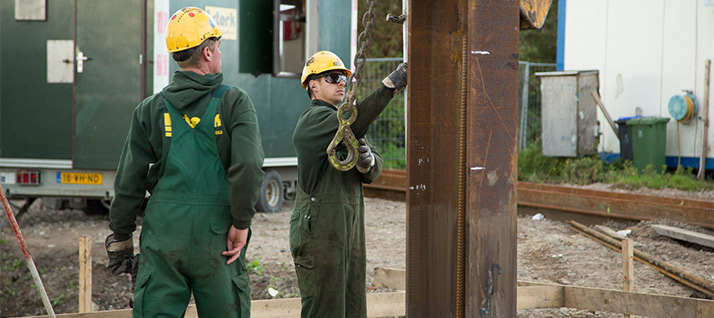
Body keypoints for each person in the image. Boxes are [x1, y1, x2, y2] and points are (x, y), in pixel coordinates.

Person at [104, 7, 264, 318]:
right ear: (207, 52)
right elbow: (248, 166)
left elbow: (129, 180)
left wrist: (121, 235)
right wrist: (241, 223)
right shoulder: (235, 102)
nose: (219, 53)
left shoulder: (150, 109)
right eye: (217, 47)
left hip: (163, 235)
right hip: (218, 237)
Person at [290, 51, 407, 317]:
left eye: (343, 77)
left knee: (353, 306)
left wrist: (368, 163)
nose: (342, 82)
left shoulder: (344, 126)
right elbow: (352, 123)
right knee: (325, 309)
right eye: (333, 77)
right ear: (313, 86)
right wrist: (388, 87)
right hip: (318, 232)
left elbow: (373, 163)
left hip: (348, 231)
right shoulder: (313, 122)